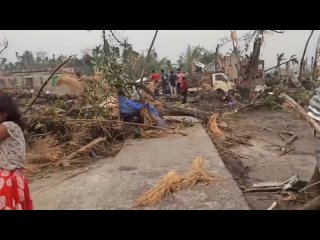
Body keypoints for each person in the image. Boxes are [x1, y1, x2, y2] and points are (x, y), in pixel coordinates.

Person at [0, 93, 33, 210]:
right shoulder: (14, 126)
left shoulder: (7, 126)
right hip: (14, 178)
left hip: (8, 179)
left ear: (5, 113)